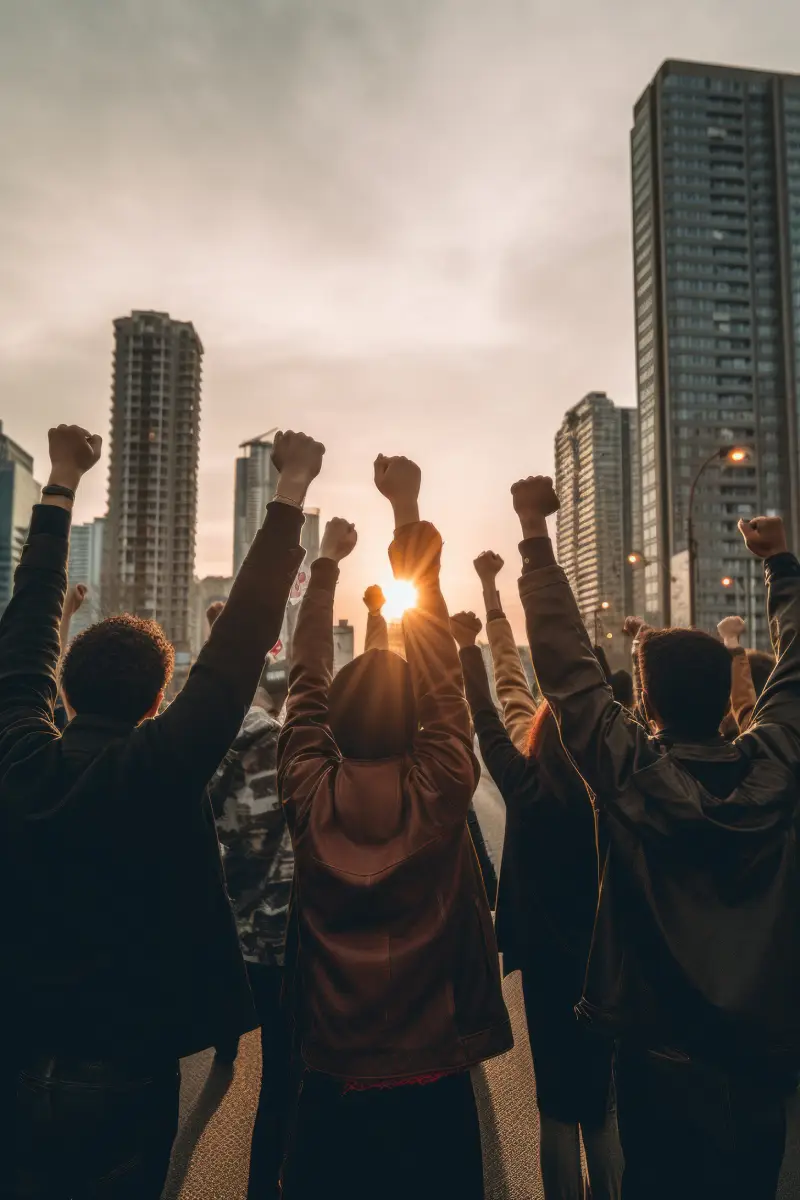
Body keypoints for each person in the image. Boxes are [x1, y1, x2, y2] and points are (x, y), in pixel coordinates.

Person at [0, 424, 323, 1199]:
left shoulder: (18, 760)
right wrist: (290, 492)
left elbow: (23, 639)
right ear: (156, 701)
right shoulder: (159, 769)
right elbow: (236, 650)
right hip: (126, 1067)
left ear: (64, 687)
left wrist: (62, 481)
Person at [511, 474, 800, 1200]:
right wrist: (780, 566)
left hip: (661, 1059)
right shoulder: (776, 766)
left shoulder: (635, 779)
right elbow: (797, 677)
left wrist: (537, 537)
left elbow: (570, 679)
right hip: (764, 1053)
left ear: (645, 702)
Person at [278, 455, 512, 1200]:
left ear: (330, 726)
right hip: (434, 1072)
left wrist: (324, 569)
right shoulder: (442, 783)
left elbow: (305, 681)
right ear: (419, 725)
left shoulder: (306, 789)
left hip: (331, 1073)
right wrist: (405, 510)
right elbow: (442, 674)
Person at [454, 555, 622, 1200]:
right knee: (602, 1105)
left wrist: (466, 647)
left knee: (555, 1103)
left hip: (545, 964)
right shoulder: (618, 786)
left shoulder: (524, 784)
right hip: (607, 959)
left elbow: (487, 715)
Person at [205, 605, 294, 1200]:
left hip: (225, 930)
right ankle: (265, 1186)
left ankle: (224, 1040)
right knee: (283, 1077)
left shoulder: (199, 744)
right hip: (281, 935)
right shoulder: (283, 746)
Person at [362, 580, 498, 904]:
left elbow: (373, 683)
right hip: (444, 925)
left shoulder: (343, 787)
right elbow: (445, 694)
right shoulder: (444, 778)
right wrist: (465, 645)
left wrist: (375, 617)